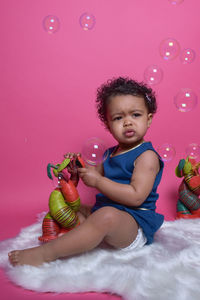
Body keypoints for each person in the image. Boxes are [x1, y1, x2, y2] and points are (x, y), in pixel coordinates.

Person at [8, 77, 164, 266]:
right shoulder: (110, 153)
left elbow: (136, 197)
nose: (128, 122)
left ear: (148, 119)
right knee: (73, 206)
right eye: (118, 117)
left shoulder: (147, 156)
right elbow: (93, 174)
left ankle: (47, 253)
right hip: (108, 212)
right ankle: (73, 237)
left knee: (106, 216)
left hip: (134, 224)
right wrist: (77, 169)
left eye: (136, 115)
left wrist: (98, 181)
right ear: (108, 125)